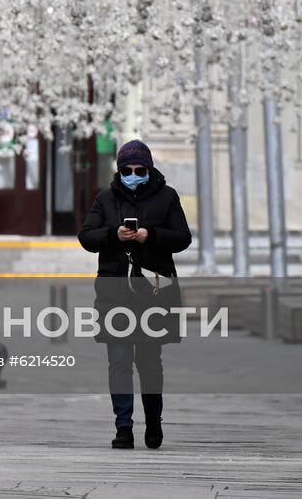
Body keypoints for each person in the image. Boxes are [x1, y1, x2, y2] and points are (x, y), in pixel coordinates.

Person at [77, 139, 192, 451]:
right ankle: (123, 426)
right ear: (119, 170)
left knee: (150, 361)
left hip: (153, 292)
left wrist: (150, 235)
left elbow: (183, 237)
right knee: (118, 361)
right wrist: (113, 235)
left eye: (140, 169)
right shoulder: (105, 198)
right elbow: (86, 236)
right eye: (126, 170)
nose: (133, 174)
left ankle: (153, 422)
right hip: (114, 292)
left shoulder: (167, 197)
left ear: (149, 168)